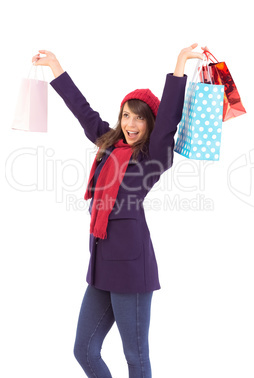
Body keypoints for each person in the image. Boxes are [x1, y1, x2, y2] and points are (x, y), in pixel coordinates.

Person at [32, 43, 205, 378]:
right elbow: (84, 113)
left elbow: (169, 118)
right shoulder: (111, 144)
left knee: (135, 357)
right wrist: (56, 67)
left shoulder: (153, 157)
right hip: (100, 267)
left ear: (150, 123)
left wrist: (180, 64)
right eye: (127, 114)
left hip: (131, 271)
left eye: (140, 117)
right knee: (84, 350)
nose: (130, 123)